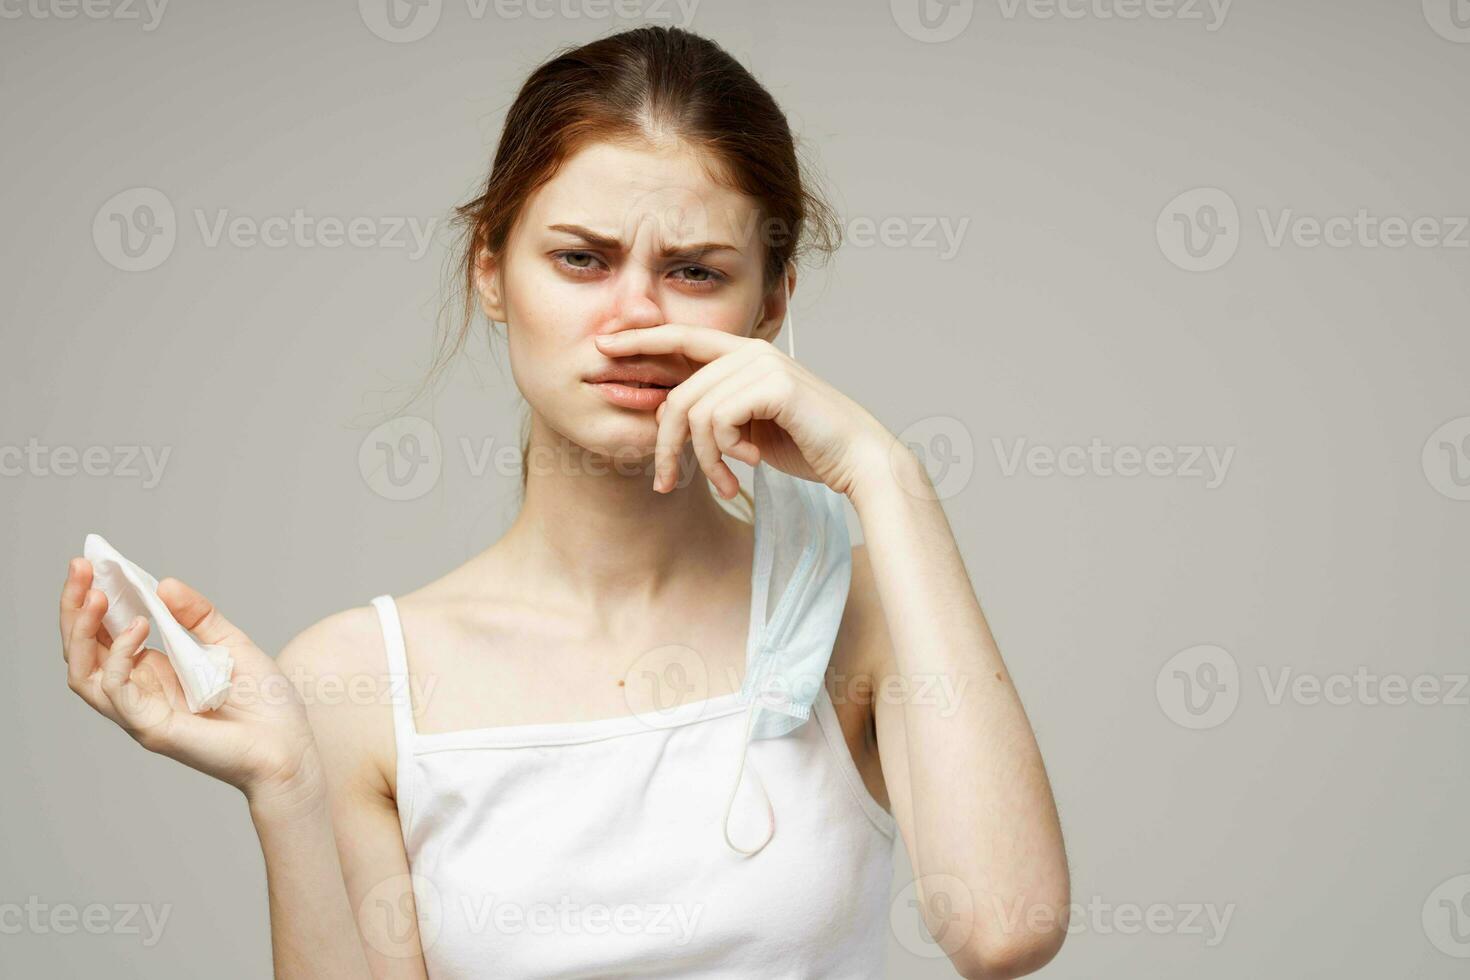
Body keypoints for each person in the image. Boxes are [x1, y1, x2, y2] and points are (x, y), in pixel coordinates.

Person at [57, 25, 1069, 980]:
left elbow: (1003, 926)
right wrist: (285, 785)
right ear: (491, 272)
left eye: (696, 271)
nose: (635, 316)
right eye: (581, 259)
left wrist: (886, 474)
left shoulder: (860, 616)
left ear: (771, 305)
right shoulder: (357, 676)